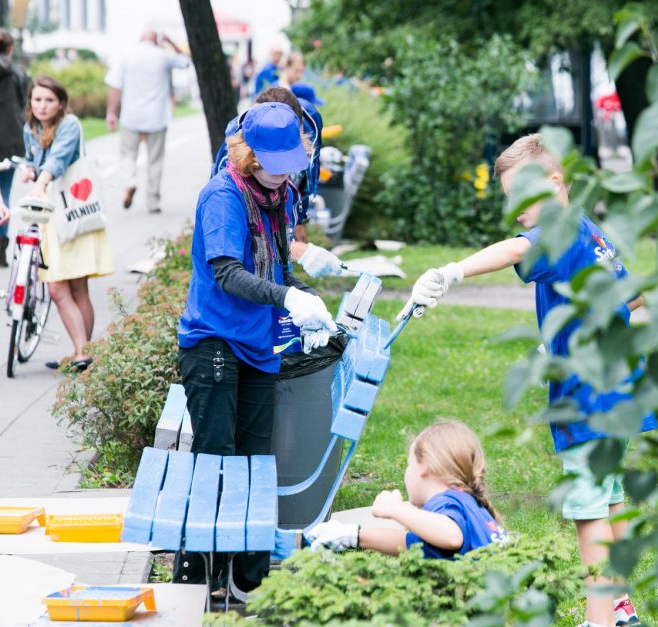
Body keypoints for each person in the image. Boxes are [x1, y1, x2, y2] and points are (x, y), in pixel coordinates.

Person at [397, 134, 654, 627]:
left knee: (589, 509)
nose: (514, 207)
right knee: (611, 495)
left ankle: (599, 621)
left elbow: (515, 250)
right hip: (620, 386)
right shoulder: (587, 228)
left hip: (590, 395)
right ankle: (621, 610)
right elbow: (632, 296)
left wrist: (453, 272)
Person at [174, 101, 337, 592]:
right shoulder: (223, 196)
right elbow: (227, 274)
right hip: (214, 343)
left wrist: (306, 296)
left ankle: (248, 578)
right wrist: (285, 295)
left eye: (290, 168)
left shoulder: (279, 193)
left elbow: (278, 265)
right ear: (249, 157)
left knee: (254, 461)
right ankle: (203, 576)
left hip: (257, 345)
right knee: (217, 459)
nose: (284, 178)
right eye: (274, 168)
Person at [305, 421, 508, 559]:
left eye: (410, 464)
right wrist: (352, 535)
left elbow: (451, 536)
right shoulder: (470, 505)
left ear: (425, 468)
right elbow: (410, 543)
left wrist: (396, 510)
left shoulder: (446, 502)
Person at [22, 76, 114, 370]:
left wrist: (42, 179)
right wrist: (28, 169)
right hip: (50, 214)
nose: (43, 105)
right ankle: (81, 352)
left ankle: (81, 353)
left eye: (49, 100)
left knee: (76, 288)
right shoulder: (32, 127)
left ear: (61, 103)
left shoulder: (69, 124)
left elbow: (58, 160)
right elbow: (32, 159)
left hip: (72, 213)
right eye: (37, 100)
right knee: (59, 289)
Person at [210, 86, 343, 278]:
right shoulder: (224, 191)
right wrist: (295, 249)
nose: (282, 174)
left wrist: (298, 218)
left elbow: (307, 175)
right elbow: (230, 268)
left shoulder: (309, 123)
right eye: (274, 163)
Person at [105, 30, 190, 214]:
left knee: (127, 155)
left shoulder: (126, 56)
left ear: (140, 39)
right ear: (156, 41)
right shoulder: (163, 55)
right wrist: (171, 42)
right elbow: (185, 62)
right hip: (157, 117)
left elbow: (115, 86)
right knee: (155, 160)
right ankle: (153, 202)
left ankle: (130, 181)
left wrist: (111, 112)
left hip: (131, 117)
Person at [0, 28, 29, 266]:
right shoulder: (18, 73)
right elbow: (27, 107)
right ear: (10, 48)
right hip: (10, 141)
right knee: (4, 193)